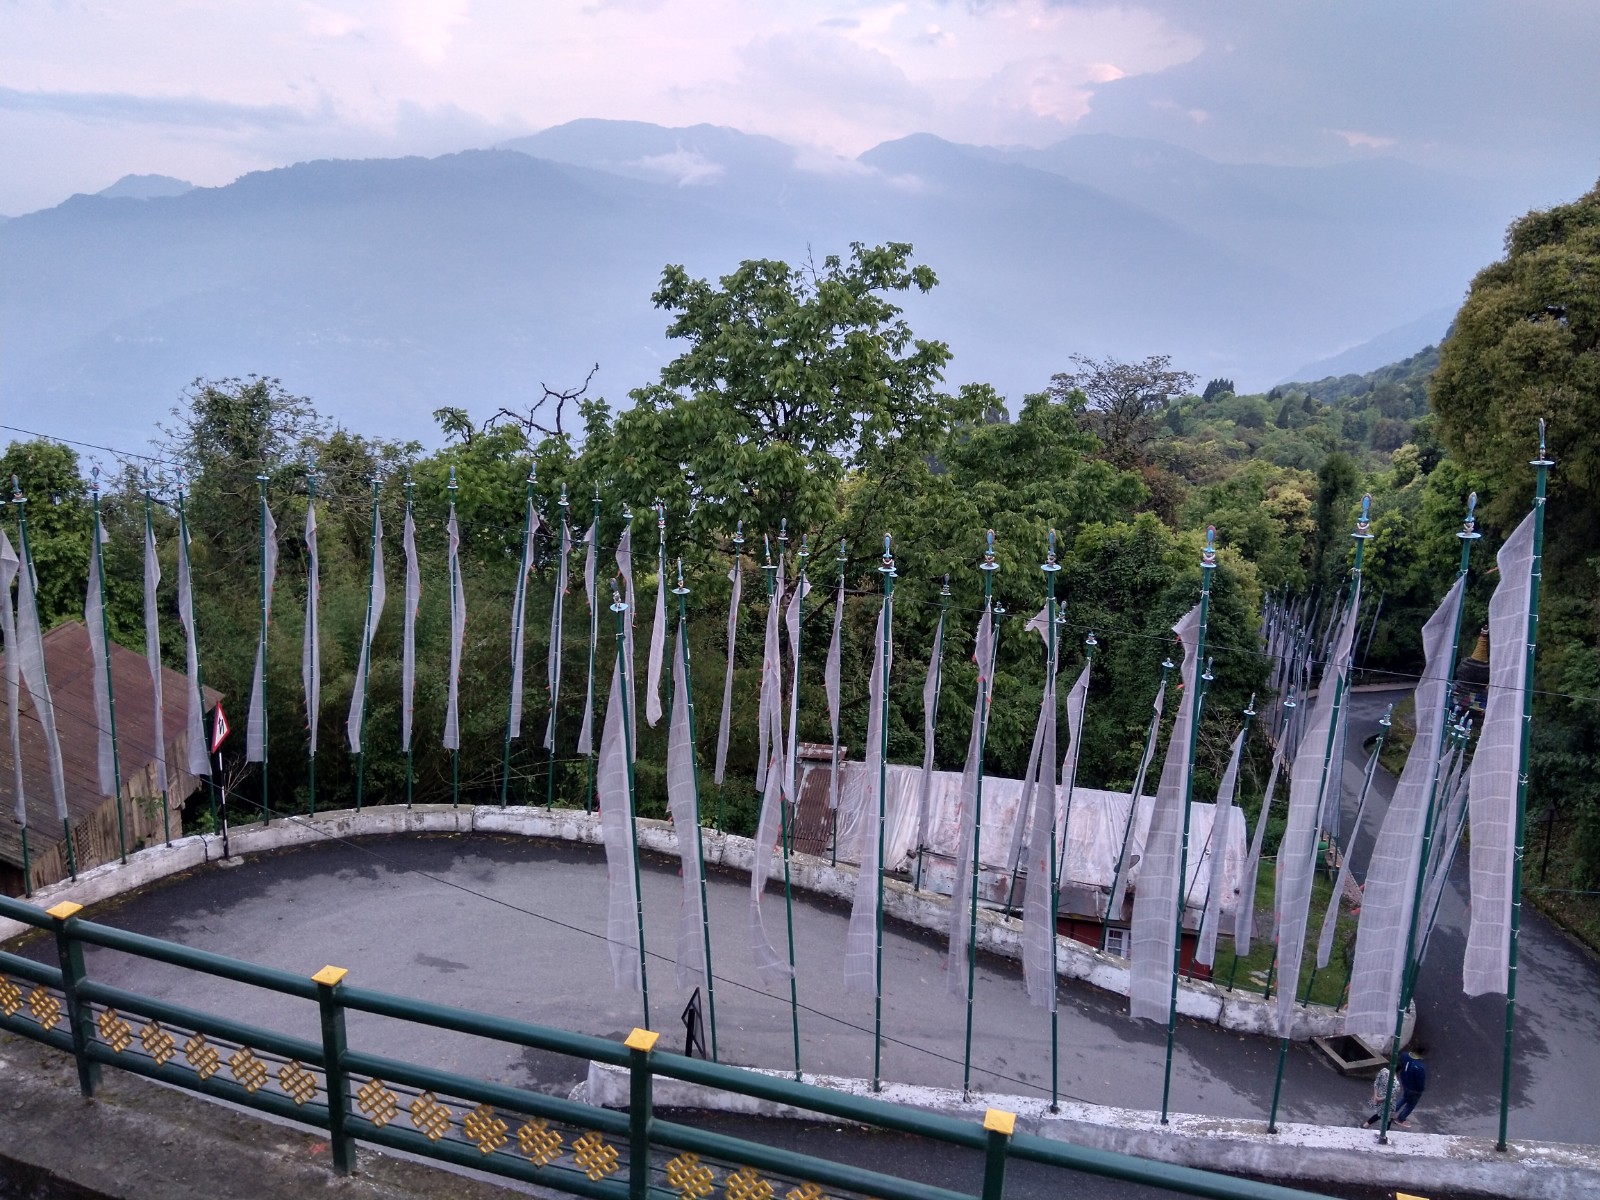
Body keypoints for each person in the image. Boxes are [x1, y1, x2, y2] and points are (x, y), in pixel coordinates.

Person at [1391, 1044, 1428, 1126]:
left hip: (1405, 1083)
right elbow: (1420, 1082)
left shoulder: (1405, 1055)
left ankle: (1390, 1112)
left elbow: (1399, 1065)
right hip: (1415, 1089)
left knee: (1404, 1098)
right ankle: (1400, 1119)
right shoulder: (1419, 1067)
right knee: (1411, 1104)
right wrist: (1421, 1089)